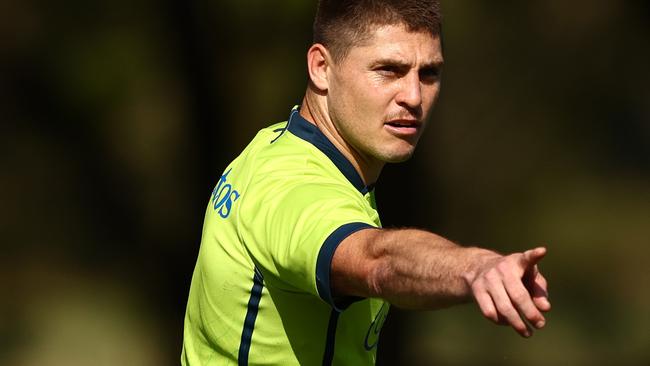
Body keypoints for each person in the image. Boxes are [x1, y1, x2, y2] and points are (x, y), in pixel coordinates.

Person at [181, 0, 551, 365]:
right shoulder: (292, 187)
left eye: (429, 74)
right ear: (322, 67)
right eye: (389, 70)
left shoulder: (274, 145)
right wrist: (474, 267)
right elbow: (376, 260)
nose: (413, 97)